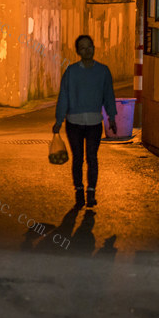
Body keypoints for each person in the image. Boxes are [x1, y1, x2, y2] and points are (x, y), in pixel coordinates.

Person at [53, 35, 116, 207]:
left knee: (92, 157)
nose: (87, 50)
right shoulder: (71, 72)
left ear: (94, 47)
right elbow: (63, 97)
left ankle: (91, 192)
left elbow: (109, 95)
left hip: (95, 123)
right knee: (78, 158)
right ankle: (79, 190)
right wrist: (59, 120)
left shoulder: (103, 71)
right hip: (74, 122)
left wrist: (112, 117)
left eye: (90, 46)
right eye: (83, 47)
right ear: (77, 51)